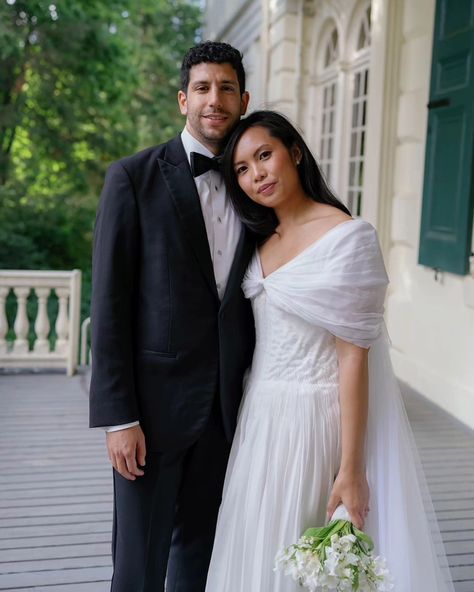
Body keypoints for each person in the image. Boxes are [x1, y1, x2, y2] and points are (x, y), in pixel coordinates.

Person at [205, 110, 455, 592]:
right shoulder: (258, 239)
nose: (256, 174)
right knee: (258, 551)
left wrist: (352, 469)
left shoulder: (348, 236)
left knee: (312, 557)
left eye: (264, 155)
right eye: (242, 168)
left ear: (294, 152)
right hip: (261, 417)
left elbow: (352, 358)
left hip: (316, 421)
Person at [89, 41, 255, 592]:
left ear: (243, 100)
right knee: (137, 566)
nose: (216, 99)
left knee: (200, 560)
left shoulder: (257, 187)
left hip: (228, 413)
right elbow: (109, 306)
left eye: (227, 88)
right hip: (151, 417)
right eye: (204, 88)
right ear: (183, 100)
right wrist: (118, 418)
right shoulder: (132, 179)